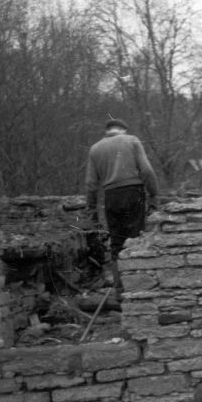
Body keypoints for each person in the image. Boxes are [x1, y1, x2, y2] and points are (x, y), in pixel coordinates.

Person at [85, 118, 159, 291]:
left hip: (111, 196)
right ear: (123, 130)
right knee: (135, 240)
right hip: (134, 193)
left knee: (117, 244)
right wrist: (154, 196)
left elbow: (90, 184)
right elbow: (147, 171)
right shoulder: (132, 140)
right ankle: (137, 289)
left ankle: (120, 290)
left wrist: (92, 211)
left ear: (107, 131)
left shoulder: (95, 148)